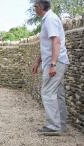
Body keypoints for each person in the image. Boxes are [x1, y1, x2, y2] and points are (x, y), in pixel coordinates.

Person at [32, 0, 69, 135]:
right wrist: (38, 61)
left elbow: (56, 41)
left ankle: (53, 126)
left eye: (35, 6)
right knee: (57, 93)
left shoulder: (50, 19)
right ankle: (61, 124)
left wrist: (53, 64)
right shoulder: (48, 19)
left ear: (41, 7)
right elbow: (47, 45)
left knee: (47, 92)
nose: (34, 9)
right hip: (57, 61)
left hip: (56, 62)